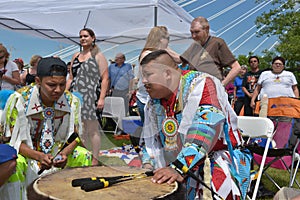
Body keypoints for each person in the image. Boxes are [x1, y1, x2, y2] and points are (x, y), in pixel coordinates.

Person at [140, 50, 246, 199]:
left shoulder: (202, 84)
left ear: (167, 74)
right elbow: (151, 141)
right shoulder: (154, 102)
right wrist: (148, 164)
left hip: (215, 157)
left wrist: (179, 167)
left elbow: (206, 128)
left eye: (148, 75)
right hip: (176, 162)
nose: (143, 81)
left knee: (216, 181)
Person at [0, 57, 92, 199]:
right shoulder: (20, 100)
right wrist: (38, 156)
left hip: (57, 151)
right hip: (28, 152)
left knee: (83, 155)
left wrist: (64, 154)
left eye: (62, 84)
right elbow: (13, 141)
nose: (58, 90)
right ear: (38, 81)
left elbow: (75, 136)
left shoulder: (72, 101)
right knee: (15, 163)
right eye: (51, 85)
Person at [66, 28, 109, 166]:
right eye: (80, 36)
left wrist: (102, 98)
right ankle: (83, 154)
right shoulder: (75, 56)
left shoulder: (98, 56)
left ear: (93, 38)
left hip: (91, 97)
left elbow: (105, 78)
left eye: (85, 36)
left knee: (92, 129)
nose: (83, 39)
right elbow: (71, 77)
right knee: (78, 128)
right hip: (75, 96)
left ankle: (95, 158)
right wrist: (65, 94)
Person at [136, 26, 180, 124]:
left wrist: (165, 49)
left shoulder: (160, 53)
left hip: (155, 97)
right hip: (146, 98)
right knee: (152, 132)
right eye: (167, 38)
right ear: (160, 39)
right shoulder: (148, 54)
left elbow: (179, 59)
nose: (168, 41)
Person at [180, 16, 241, 86]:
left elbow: (236, 67)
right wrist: (165, 48)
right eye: (191, 32)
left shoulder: (217, 43)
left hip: (211, 90)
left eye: (197, 32)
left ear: (207, 29)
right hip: (195, 90)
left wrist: (221, 85)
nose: (193, 36)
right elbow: (179, 59)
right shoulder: (195, 46)